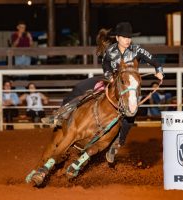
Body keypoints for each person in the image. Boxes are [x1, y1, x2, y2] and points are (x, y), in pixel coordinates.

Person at [42, 22, 164, 162]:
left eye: (129, 37)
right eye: (124, 37)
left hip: (127, 88)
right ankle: (60, 114)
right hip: (112, 83)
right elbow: (105, 64)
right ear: (117, 38)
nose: (127, 40)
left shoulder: (137, 50)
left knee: (130, 114)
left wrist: (159, 70)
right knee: (81, 88)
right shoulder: (110, 51)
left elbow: (153, 60)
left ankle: (117, 143)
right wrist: (109, 76)